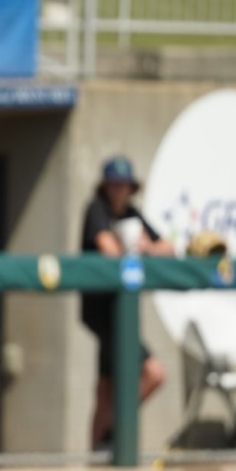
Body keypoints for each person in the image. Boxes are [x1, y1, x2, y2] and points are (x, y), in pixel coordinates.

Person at [79, 155, 172, 449]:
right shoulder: (97, 209)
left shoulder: (132, 213)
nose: (119, 190)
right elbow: (107, 249)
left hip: (122, 312)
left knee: (106, 388)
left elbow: (168, 247)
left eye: (124, 185)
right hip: (101, 313)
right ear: (105, 187)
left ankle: (103, 442)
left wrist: (145, 246)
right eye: (114, 185)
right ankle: (107, 438)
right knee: (152, 372)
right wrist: (136, 248)